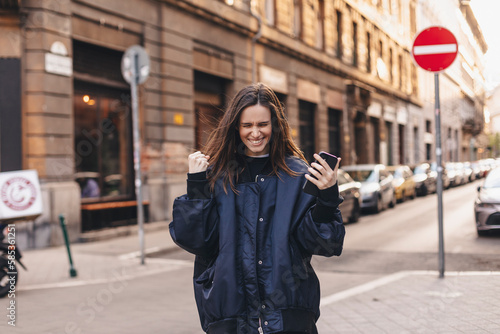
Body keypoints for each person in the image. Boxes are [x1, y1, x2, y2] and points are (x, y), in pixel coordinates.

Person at [169, 83, 345, 334]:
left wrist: (327, 197)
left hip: (288, 316)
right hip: (230, 315)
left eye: (262, 124)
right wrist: (196, 185)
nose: (255, 133)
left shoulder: (296, 174)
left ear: (275, 125)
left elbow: (325, 244)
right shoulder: (218, 174)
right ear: (235, 127)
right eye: (247, 125)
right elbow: (196, 241)